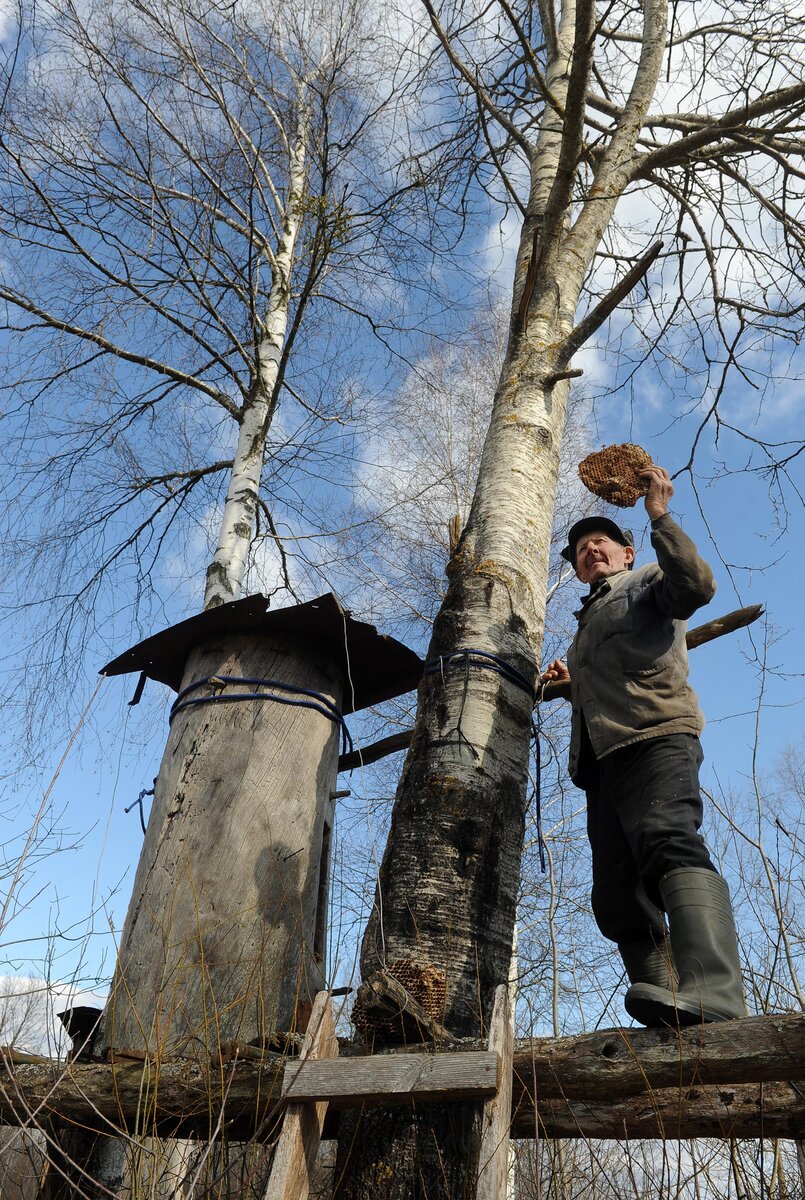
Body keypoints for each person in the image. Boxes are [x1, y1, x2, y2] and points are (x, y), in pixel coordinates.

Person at [542, 464, 745, 1026]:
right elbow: (608, 680)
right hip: (603, 766)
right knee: (614, 894)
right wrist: (570, 680)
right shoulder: (585, 628)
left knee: (667, 840)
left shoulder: (649, 581)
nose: (590, 550)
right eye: (581, 548)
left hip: (656, 736)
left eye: (601, 540)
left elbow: (697, 586)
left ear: (627, 552)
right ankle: (667, 1001)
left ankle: (715, 992)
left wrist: (659, 516)